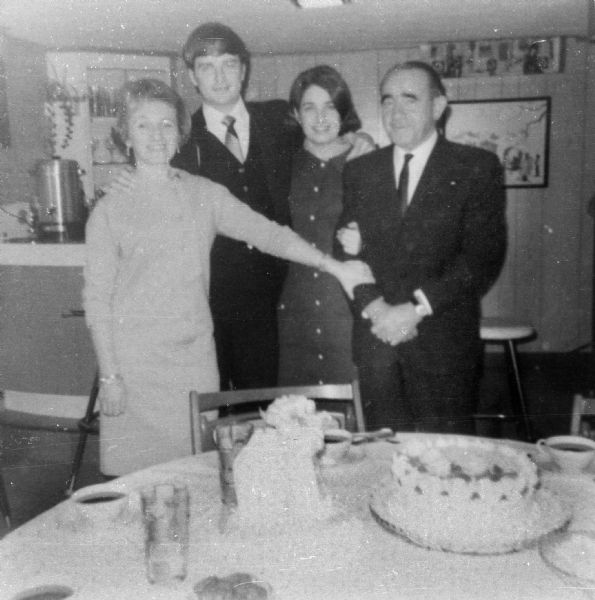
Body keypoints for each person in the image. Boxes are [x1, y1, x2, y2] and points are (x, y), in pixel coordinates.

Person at [83, 78, 373, 476]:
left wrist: (335, 265)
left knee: (198, 471)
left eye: (167, 124)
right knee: (134, 484)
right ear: (126, 136)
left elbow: (270, 234)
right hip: (135, 368)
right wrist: (110, 375)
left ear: (181, 133)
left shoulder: (205, 194)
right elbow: (97, 301)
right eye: (143, 125)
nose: (156, 136)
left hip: (194, 361)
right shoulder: (109, 209)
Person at [172, 22, 374, 392]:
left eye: (229, 64)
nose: (219, 78)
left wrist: (360, 138)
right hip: (209, 302)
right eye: (206, 67)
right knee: (213, 407)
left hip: (276, 299)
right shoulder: (180, 141)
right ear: (191, 76)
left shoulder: (278, 119)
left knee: (267, 405)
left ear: (244, 70)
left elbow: (325, 132)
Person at [335, 61, 507, 435]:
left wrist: (415, 309)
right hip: (377, 342)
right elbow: (345, 252)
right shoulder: (360, 172)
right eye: (387, 101)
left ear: (439, 106)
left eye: (410, 99)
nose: (395, 112)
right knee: (381, 459)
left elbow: (481, 259)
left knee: (444, 464)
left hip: (442, 347)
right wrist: (376, 307)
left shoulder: (475, 167)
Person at [278, 65, 368, 386]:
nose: (320, 118)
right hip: (293, 310)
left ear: (344, 112)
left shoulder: (367, 162)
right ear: (296, 114)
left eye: (330, 106)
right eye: (309, 107)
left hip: (347, 309)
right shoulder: (281, 164)